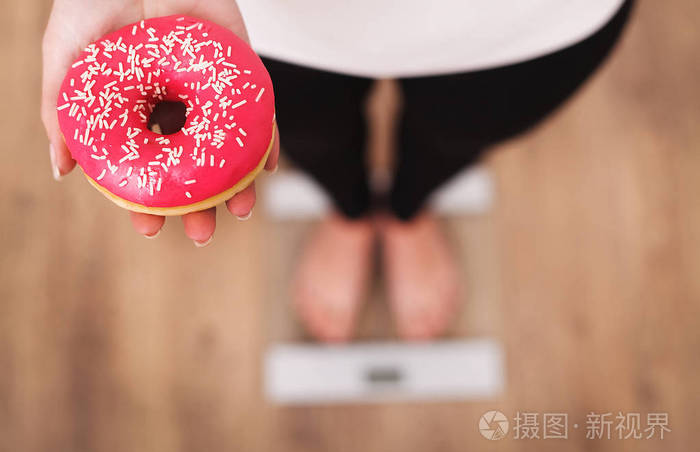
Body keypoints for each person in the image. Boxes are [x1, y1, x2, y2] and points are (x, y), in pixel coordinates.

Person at [42, 0, 633, 342]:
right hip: (262, 17)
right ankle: (349, 211)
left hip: (523, 20)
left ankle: (408, 210)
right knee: (308, 138)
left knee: (456, 137)